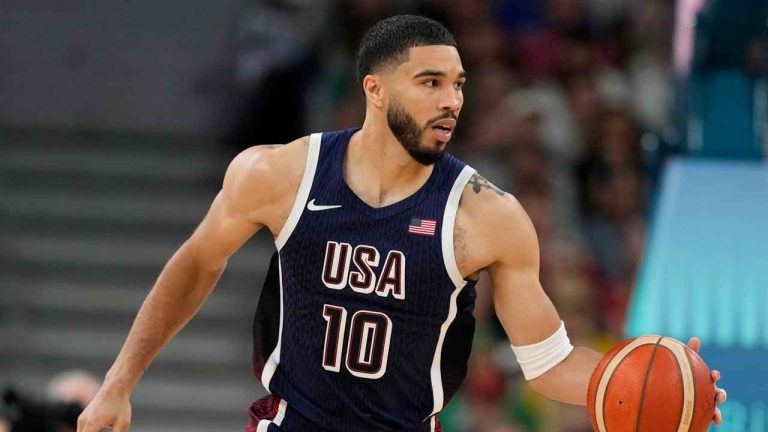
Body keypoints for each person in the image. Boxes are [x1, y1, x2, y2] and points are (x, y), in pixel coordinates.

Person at [77, 15, 726, 432]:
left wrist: (651, 383)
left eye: (459, 84)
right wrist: (119, 382)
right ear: (375, 88)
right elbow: (197, 263)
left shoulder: (486, 215)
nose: (452, 100)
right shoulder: (280, 174)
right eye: (431, 82)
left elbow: (549, 361)